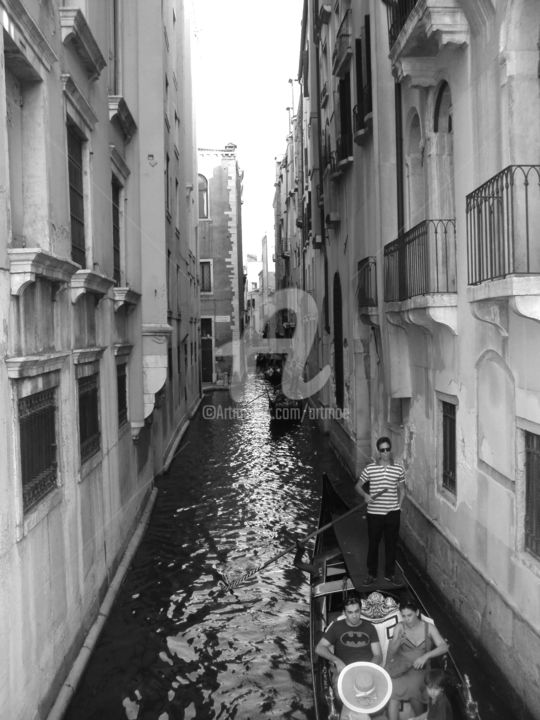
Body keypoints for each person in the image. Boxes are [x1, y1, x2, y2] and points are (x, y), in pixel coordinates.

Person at [386, 600, 449, 720]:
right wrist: (397, 641)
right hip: (401, 667)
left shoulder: (428, 628)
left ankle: (419, 717)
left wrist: (425, 656)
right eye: (403, 616)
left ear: (417, 612)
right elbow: (391, 653)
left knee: (415, 690)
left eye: (409, 615)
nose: (406, 619)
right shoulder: (400, 626)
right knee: (392, 696)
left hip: (420, 668)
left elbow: (444, 647)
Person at [354, 436, 405, 584]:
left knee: (391, 544)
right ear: (378, 451)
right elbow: (357, 486)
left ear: (390, 450)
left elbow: (402, 489)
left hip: (392, 513)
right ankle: (372, 574)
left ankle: (390, 574)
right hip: (374, 513)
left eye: (388, 449)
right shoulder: (370, 468)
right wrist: (365, 496)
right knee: (373, 544)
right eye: (382, 450)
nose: (385, 453)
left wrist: (399, 505)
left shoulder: (398, 468)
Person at [315, 594, 382, 696]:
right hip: (344, 671)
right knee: (342, 694)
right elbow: (319, 648)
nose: (354, 616)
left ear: (361, 610)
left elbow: (378, 655)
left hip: (366, 671)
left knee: (377, 696)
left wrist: (368, 670)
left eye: (357, 611)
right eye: (350, 612)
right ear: (344, 613)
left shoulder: (370, 628)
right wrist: (336, 661)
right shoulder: (336, 627)